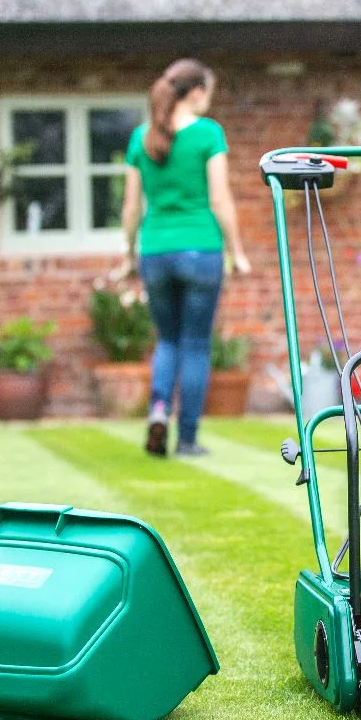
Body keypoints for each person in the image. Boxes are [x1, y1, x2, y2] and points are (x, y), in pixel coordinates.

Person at [122, 58, 251, 458]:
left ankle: (159, 409)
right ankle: (188, 438)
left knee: (167, 340)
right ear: (196, 92)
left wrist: (128, 256)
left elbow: (131, 208)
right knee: (195, 343)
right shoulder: (208, 133)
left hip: (155, 251)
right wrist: (237, 251)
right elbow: (219, 199)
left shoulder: (141, 137)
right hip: (201, 248)